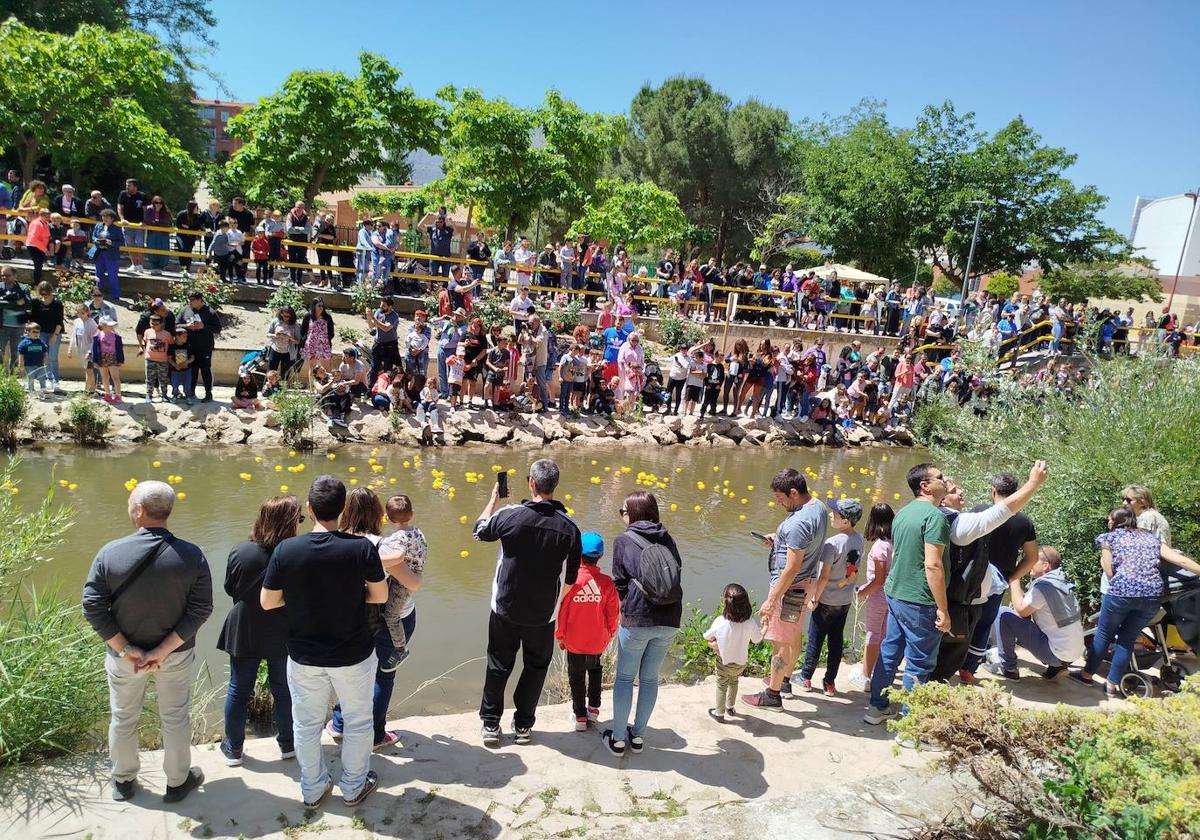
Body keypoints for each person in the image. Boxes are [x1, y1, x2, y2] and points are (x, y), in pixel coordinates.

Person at [865, 461, 1048, 726]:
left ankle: (876, 708)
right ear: (925, 486)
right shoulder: (940, 518)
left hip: (896, 594)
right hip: (920, 600)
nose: (946, 480)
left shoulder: (904, 512)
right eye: (941, 478)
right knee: (920, 664)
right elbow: (933, 564)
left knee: (890, 651)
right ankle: (910, 725)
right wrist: (1032, 484)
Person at [81, 480, 212, 803]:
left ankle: (123, 781)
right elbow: (201, 609)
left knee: (123, 716)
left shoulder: (110, 553)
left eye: (130, 503)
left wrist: (126, 649)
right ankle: (177, 782)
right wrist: (162, 651)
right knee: (175, 716)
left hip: (124, 657)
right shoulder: (192, 555)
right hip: (176, 655)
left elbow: (92, 606)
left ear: (139, 511)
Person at [260, 476, 387, 808]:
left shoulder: (287, 549)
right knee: (359, 722)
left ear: (309, 508)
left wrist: (302, 597)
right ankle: (353, 785)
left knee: (306, 724)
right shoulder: (361, 548)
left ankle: (313, 788)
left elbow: (268, 601)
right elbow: (379, 595)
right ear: (342, 509)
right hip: (353, 653)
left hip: (303, 655)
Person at [474, 458, 582, 746]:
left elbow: (480, 531)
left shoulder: (509, 515)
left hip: (505, 608)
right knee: (536, 667)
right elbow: (572, 577)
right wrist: (555, 603)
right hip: (543, 613)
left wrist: (493, 500)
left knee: (498, 664)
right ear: (554, 486)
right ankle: (523, 725)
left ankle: (491, 724)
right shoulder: (570, 527)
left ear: (531, 483)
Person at [1071, 507, 1200, 698]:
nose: (1108, 523)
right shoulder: (1152, 538)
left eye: (1109, 520)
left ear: (1115, 522)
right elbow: (1180, 560)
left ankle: (1086, 674)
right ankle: (1112, 685)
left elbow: (1108, 570)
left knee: (1104, 633)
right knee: (1127, 639)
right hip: (1152, 595)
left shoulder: (1110, 538)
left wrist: (1122, 582)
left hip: (1121, 593)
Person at [217, 496, 299, 766]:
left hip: (244, 626)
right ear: (289, 523)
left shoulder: (241, 550)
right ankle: (287, 745)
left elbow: (230, 588)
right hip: (283, 628)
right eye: (299, 520)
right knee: (284, 689)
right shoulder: (293, 554)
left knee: (238, 689)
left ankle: (233, 749)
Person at [604, 490, 683, 755]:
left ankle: (616, 739)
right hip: (670, 617)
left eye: (623, 511)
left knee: (625, 678)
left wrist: (629, 607)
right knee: (649, 679)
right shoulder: (668, 538)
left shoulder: (623, 541)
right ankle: (637, 737)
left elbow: (619, 582)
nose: (622, 516)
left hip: (638, 618)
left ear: (634, 513)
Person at [743, 469, 829, 709]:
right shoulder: (818, 507)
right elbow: (803, 544)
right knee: (793, 634)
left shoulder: (799, 523)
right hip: (806, 584)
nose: (778, 503)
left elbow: (791, 568)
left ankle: (773, 693)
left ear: (794, 492)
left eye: (781, 498)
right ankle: (786, 680)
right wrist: (778, 540)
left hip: (790, 588)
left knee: (780, 641)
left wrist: (772, 599)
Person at [986, 546, 1085, 680]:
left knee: (1003, 613)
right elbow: (1024, 607)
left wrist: (1015, 577)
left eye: (1033, 560)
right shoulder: (1059, 582)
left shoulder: (1043, 588)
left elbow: (1020, 610)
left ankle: (1009, 668)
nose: (1028, 564)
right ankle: (1057, 668)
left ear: (1045, 565)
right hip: (1073, 653)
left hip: (1056, 654)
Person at [554, 531, 619, 731]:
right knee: (595, 670)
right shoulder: (607, 583)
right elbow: (613, 612)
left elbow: (562, 611)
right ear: (600, 555)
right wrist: (611, 632)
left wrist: (560, 635)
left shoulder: (571, 581)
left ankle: (580, 716)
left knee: (576, 675)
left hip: (574, 639)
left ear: (578, 553)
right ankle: (594, 709)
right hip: (597, 639)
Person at [798, 499, 864, 695]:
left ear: (845, 521)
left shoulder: (831, 544)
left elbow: (824, 576)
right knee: (836, 642)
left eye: (834, 514)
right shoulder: (859, 540)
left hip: (826, 601)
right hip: (844, 601)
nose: (830, 515)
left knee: (815, 640)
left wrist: (814, 598)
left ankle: (806, 677)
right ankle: (829, 683)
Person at [375, 494, 427, 672]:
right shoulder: (418, 531)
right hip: (414, 573)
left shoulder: (397, 539)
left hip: (402, 584)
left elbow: (397, 556)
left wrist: (373, 559)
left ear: (387, 518)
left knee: (391, 615)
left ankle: (400, 650)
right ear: (411, 514)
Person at [704, 583, 762, 723]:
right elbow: (757, 639)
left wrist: (714, 643)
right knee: (734, 682)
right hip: (740, 663)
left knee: (721, 685)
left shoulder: (721, 621)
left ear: (725, 603)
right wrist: (765, 627)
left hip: (724, 661)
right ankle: (730, 707)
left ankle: (719, 713)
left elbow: (706, 636)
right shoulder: (750, 623)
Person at [854, 504, 895, 689]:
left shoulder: (879, 547)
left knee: (872, 634)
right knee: (885, 635)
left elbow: (878, 580)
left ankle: (866, 676)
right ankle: (880, 674)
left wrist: (862, 592)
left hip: (878, 596)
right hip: (893, 595)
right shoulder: (894, 543)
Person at [176, 291, 221, 402]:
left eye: (193, 300)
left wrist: (204, 326)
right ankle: (190, 392)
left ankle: (208, 394)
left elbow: (218, 328)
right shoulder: (185, 310)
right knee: (191, 371)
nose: (190, 302)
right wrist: (186, 326)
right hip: (189, 346)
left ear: (200, 299)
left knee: (205, 370)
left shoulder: (210, 312)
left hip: (205, 347)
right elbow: (176, 325)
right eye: (189, 299)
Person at [28, 281, 64, 389]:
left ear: (51, 292)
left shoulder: (57, 303)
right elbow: (32, 319)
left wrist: (55, 335)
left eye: (47, 294)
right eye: (42, 294)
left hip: (54, 332)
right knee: (44, 356)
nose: (44, 296)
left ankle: (55, 380)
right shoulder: (35, 302)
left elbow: (59, 321)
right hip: (40, 333)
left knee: (53, 357)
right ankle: (47, 379)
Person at [91, 209, 125, 298]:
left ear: (112, 218)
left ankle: (115, 294)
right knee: (98, 274)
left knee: (112, 275)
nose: (104, 218)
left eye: (107, 217)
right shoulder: (98, 226)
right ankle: (98, 293)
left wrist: (112, 243)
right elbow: (93, 236)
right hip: (99, 253)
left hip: (111, 254)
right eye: (103, 216)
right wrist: (96, 240)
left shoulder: (117, 229)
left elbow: (121, 242)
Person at [91, 316, 125, 403]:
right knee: (104, 376)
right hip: (102, 358)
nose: (111, 327)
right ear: (103, 326)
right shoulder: (97, 336)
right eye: (109, 325)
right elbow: (94, 349)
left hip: (113, 358)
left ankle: (118, 395)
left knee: (115, 377)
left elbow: (120, 348)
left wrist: (120, 360)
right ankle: (107, 394)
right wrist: (95, 361)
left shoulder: (116, 336)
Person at [116, 179, 146, 273]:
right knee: (130, 244)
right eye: (126, 185)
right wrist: (122, 219)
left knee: (139, 244)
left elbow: (145, 209)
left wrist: (144, 221)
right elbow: (120, 207)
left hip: (139, 224)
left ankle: (140, 265)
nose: (127, 187)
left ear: (135, 186)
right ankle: (134, 264)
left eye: (129, 185)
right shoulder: (123, 194)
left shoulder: (142, 196)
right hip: (127, 223)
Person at [142, 314, 171, 402]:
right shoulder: (147, 332)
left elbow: (171, 344)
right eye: (152, 323)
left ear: (161, 324)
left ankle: (164, 395)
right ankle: (149, 395)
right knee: (149, 378)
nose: (153, 326)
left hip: (163, 360)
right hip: (150, 359)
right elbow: (145, 341)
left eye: (156, 324)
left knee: (163, 378)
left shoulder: (166, 334)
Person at [17, 323, 50, 393]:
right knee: (31, 377)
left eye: (38, 332)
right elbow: (21, 354)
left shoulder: (40, 342)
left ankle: (43, 388)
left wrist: (46, 359)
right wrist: (21, 364)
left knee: (42, 376)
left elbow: (45, 351)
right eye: (34, 332)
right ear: (28, 332)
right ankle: (31, 389)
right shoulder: (24, 343)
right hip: (29, 365)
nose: (36, 334)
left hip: (39, 364)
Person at [168, 326, 193, 403]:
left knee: (187, 384)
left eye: (186, 336)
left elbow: (192, 358)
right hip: (175, 370)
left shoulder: (188, 346)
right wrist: (175, 365)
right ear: (177, 337)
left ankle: (188, 396)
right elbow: (169, 358)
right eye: (184, 337)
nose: (186, 338)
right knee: (175, 384)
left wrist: (187, 362)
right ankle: (175, 396)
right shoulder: (172, 347)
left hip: (186, 370)